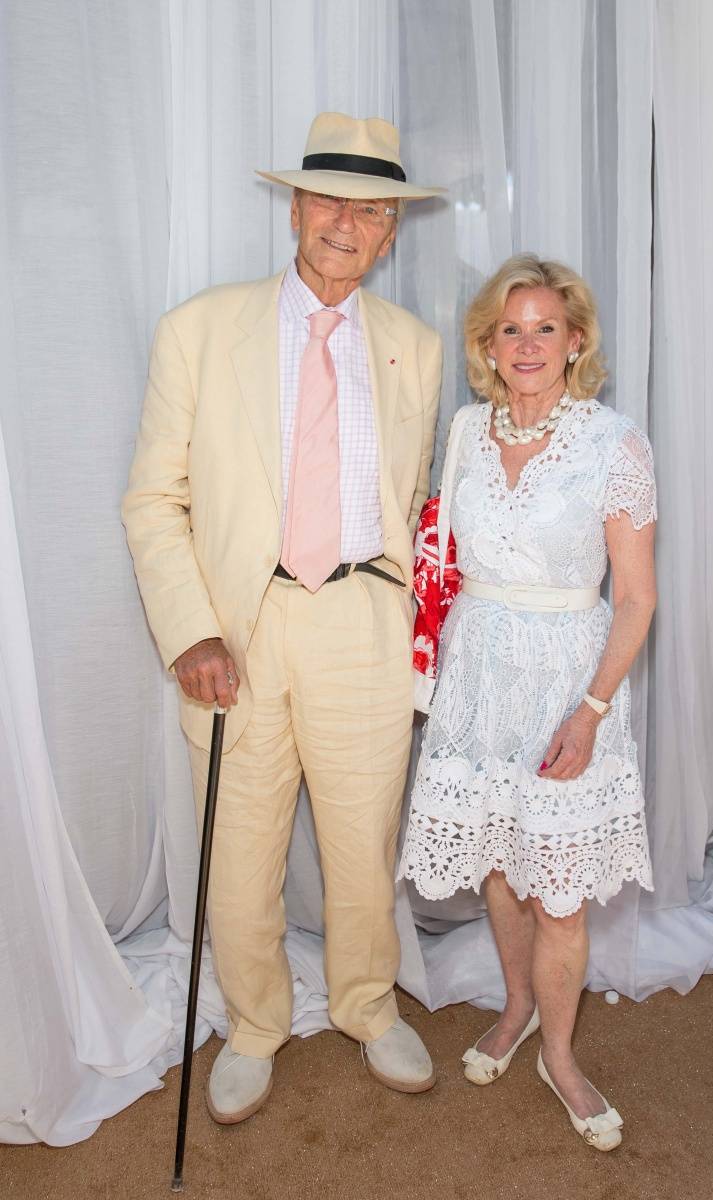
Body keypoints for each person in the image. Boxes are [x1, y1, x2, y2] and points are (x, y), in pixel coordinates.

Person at [123, 113, 444, 1123]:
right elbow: (153, 500)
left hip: (361, 621)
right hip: (238, 625)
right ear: (295, 208)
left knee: (362, 844)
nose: (345, 223)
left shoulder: (416, 347)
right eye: (327, 202)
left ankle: (366, 1006)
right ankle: (254, 1023)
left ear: (390, 231)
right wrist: (189, 630)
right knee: (241, 847)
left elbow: (413, 496)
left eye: (369, 210)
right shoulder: (198, 329)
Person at [399, 254, 656, 1151]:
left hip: (567, 684)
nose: (528, 343)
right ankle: (515, 1009)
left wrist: (591, 711)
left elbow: (636, 598)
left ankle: (560, 1053)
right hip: (478, 676)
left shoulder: (615, 444)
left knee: (561, 892)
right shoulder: (466, 431)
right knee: (499, 870)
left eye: (546, 327)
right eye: (511, 329)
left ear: (576, 341)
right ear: (488, 345)